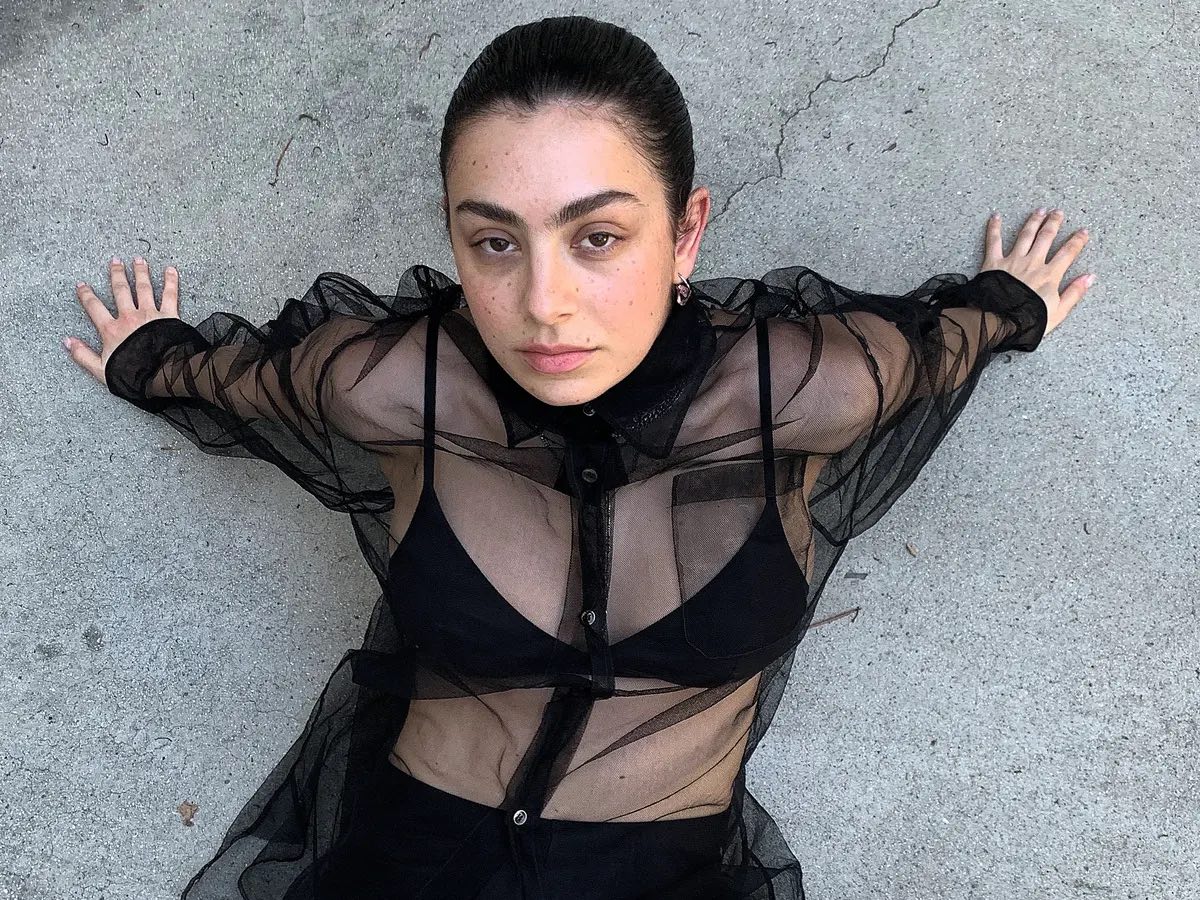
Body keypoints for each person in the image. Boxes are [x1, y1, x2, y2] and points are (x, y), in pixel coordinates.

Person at [63, 14, 1093, 900]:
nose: (543, 304)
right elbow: (251, 380)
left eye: (596, 237)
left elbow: (933, 351)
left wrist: (1012, 304)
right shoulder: (395, 386)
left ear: (685, 233)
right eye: (495, 242)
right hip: (414, 861)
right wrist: (150, 359)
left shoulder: (808, 391)